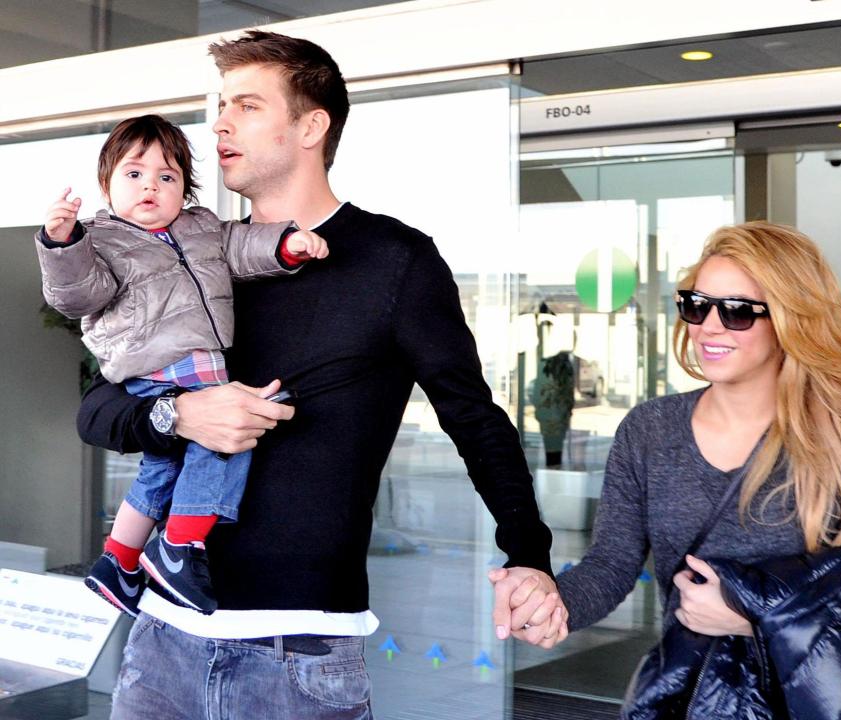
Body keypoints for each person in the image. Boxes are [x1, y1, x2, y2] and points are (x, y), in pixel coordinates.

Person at [74, 31, 561, 720]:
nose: (220, 123)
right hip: (160, 645)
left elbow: (474, 418)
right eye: (220, 106)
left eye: (245, 105)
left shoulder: (396, 261)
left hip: (297, 656)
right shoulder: (189, 255)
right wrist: (179, 416)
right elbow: (97, 410)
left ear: (311, 125)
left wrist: (529, 555)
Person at [491, 221, 841, 698]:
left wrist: (756, 618)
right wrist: (553, 602)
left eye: (738, 311)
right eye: (696, 306)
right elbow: (611, 566)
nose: (708, 327)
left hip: (813, 700)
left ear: (790, 320)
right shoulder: (650, 430)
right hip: (690, 696)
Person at [36, 114, 326, 618]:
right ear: (106, 185)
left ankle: (119, 560)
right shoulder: (100, 239)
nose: (151, 185)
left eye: (166, 177)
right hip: (161, 361)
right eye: (134, 174)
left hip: (194, 360)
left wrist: (285, 244)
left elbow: (240, 245)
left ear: (183, 190)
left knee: (163, 464)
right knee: (226, 439)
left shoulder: (200, 229)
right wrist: (62, 244)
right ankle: (179, 547)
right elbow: (79, 295)